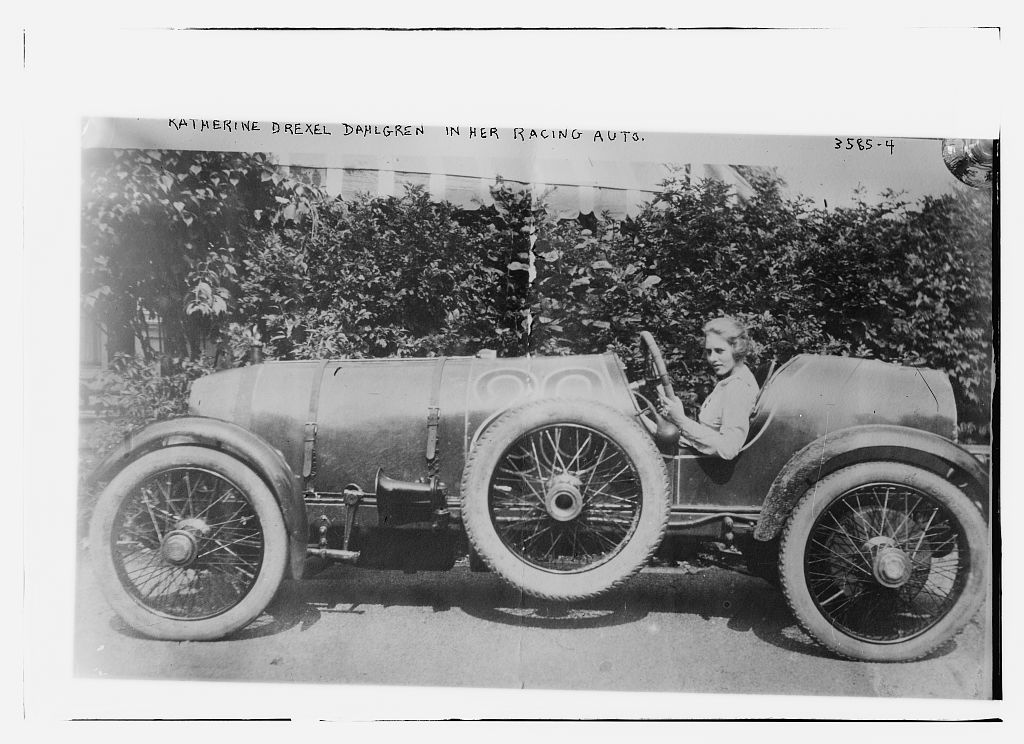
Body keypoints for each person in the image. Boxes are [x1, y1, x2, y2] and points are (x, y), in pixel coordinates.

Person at [658, 316, 760, 461]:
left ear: (736, 349)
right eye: (709, 352)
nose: (712, 358)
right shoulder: (729, 381)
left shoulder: (738, 388)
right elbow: (709, 432)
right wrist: (676, 416)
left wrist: (681, 420)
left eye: (719, 351)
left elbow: (728, 448)